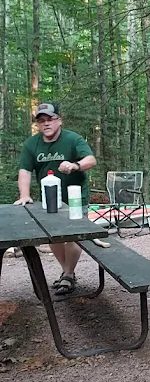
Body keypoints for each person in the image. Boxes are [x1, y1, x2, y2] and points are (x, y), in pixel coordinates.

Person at [14, 102, 97, 296]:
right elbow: (25, 171)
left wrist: (75, 165)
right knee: (54, 237)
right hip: (49, 200)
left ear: (59, 120)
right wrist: (25, 195)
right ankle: (68, 272)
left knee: (75, 236)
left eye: (50, 119)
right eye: (41, 120)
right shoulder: (31, 144)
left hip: (76, 198)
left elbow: (91, 160)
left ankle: (68, 275)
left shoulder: (73, 139)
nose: (46, 124)